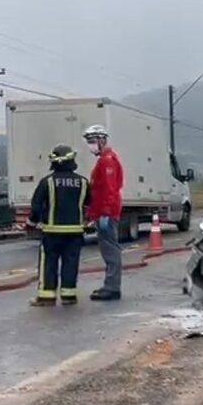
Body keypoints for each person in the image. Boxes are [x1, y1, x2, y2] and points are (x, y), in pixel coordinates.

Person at [28, 145, 90, 307]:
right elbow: (90, 203)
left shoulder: (47, 182)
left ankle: (46, 297)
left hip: (51, 232)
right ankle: (69, 296)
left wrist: (32, 222)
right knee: (71, 263)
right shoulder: (82, 182)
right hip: (75, 232)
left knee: (49, 263)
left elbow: (36, 206)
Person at [83, 125, 125, 302]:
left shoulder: (107, 161)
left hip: (106, 213)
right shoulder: (105, 160)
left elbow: (109, 189)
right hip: (102, 212)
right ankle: (110, 285)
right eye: (89, 142)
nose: (90, 145)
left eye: (93, 141)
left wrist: (105, 213)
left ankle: (112, 287)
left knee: (110, 251)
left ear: (102, 141)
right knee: (108, 249)